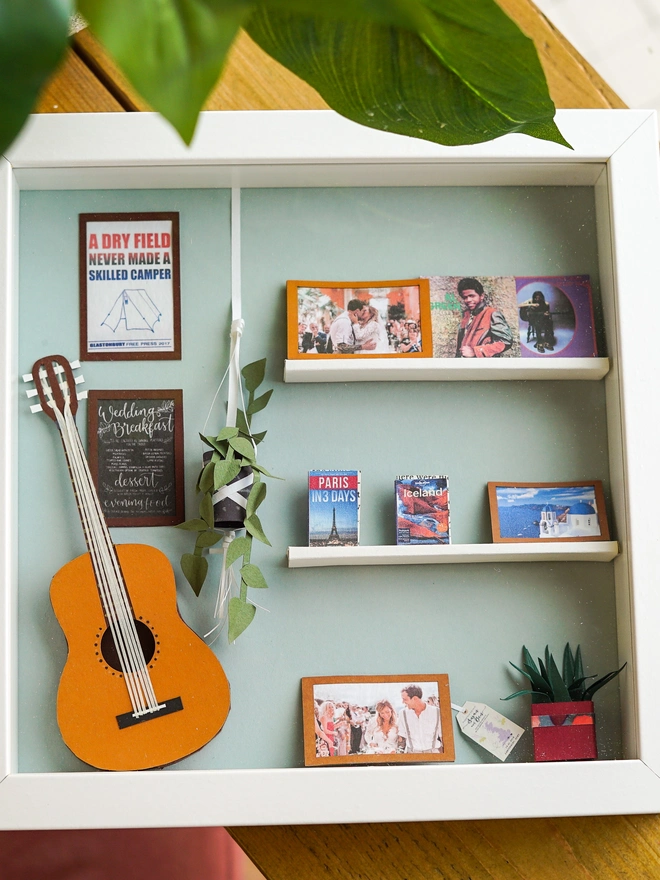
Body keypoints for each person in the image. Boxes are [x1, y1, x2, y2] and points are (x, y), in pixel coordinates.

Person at [455, 278, 513, 358]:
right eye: (465, 297)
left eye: (471, 296)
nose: (468, 300)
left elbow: (506, 341)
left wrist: (476, 351)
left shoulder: (492, 313)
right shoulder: (466, 315)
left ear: (481, 296)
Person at [397, 685, 443, 754]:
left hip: (434, 753)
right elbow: (401, 737)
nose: (403, 702)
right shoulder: (403, 714)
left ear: (415, 698)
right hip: (412, 754)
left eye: (405, 699)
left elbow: (443, 736)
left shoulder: (437, 712)